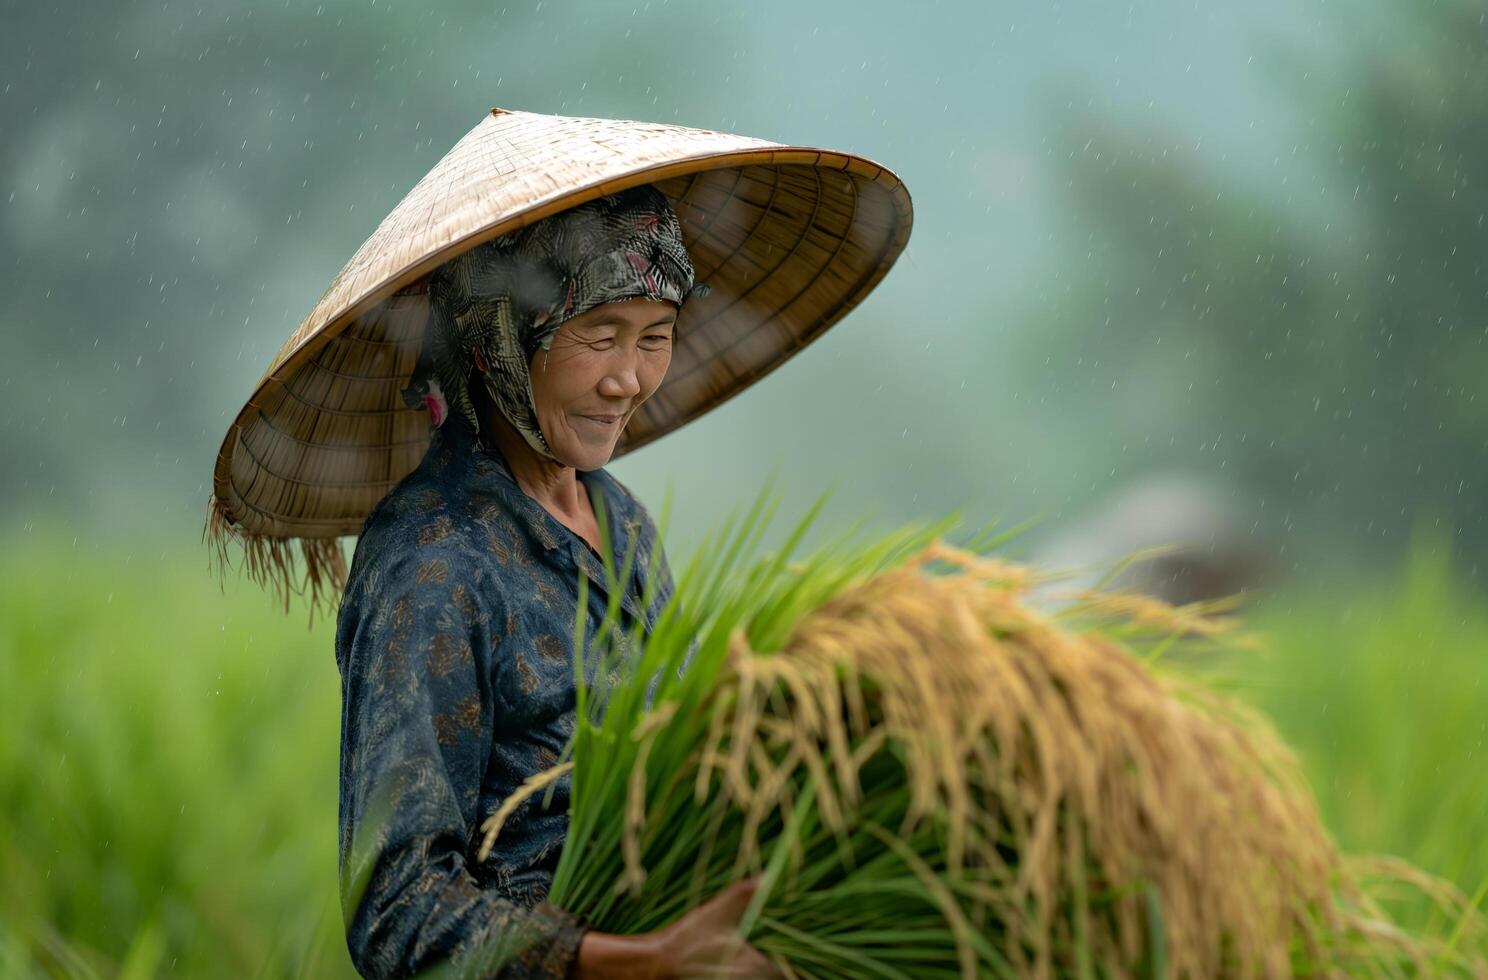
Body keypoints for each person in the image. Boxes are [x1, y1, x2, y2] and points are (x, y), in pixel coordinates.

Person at [333, 185, 783, 979]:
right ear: (500, 337)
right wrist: (640, 963)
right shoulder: (435, 563)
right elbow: (395, 906)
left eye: (655, 337)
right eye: (599, 336)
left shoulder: (622, 523)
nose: (629, 381)